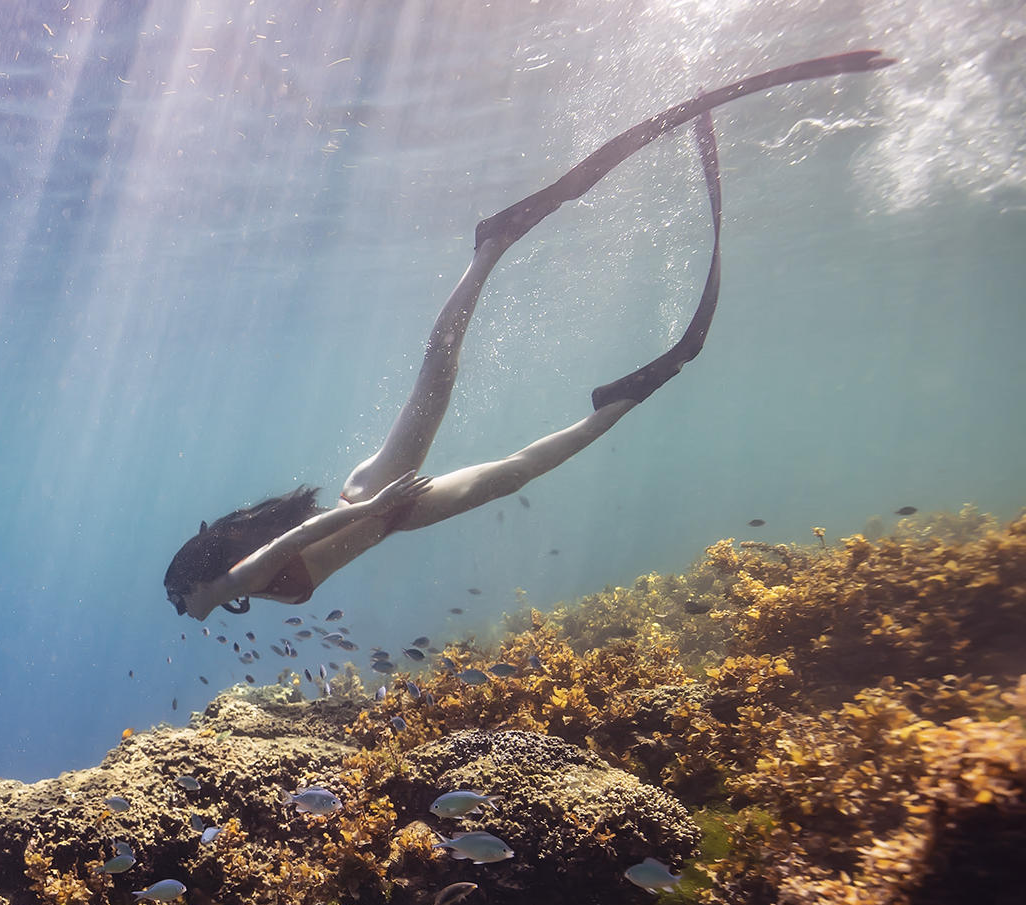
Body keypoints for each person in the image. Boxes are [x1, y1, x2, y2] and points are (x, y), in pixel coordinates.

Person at [163, 49, 894, 621]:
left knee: (440, 376)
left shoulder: (216, 590)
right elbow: (285, 545)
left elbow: (293, 543)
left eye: (180, 598)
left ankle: (490, 246)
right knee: (511, 464)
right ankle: (625, 394)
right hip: (386, 515)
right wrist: (375, 518)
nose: (182, 613)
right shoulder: (231, 580)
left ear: (196, 577)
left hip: (381, 501)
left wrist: (371, 511)